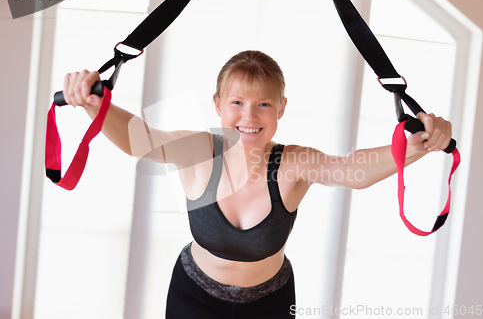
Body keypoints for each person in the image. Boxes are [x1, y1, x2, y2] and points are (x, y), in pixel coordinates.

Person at [62, 50, 452, 318]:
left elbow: (354, 169)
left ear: (281, 108)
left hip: (270, 304)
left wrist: (417, 145)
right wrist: (96, 105)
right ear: (218, 104)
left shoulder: (293, 162)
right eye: (237, 102)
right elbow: (139, 138)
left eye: (263, 104)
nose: (249, 115)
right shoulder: (199, 150)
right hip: (193, 298)